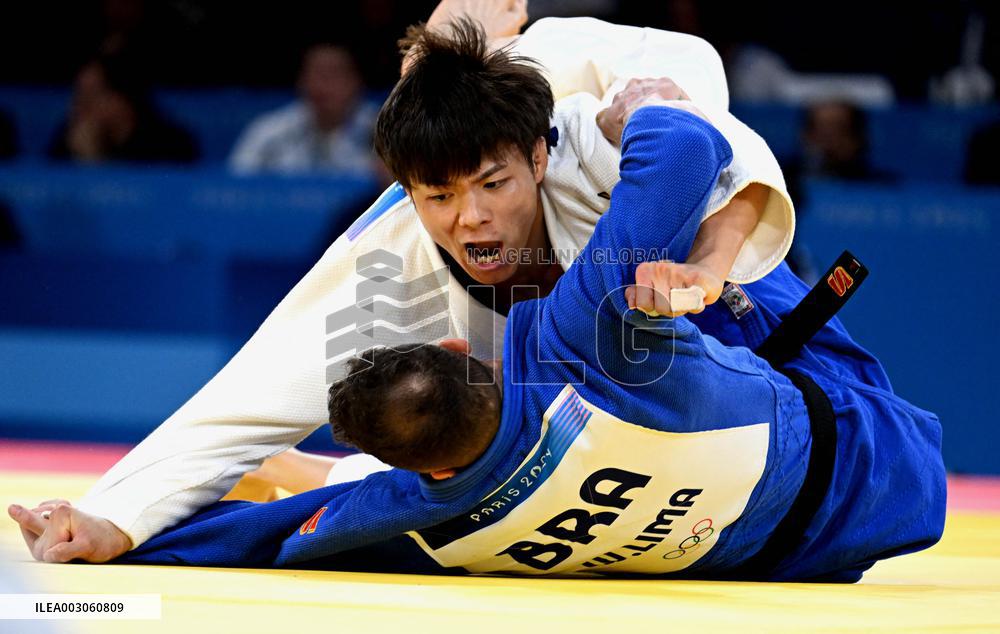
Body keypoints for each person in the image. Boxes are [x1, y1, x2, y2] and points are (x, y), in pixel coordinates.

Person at [9, 6, 796, 563]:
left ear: (534, 154)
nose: (473, 220)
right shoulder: (390, 255)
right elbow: (240, 402)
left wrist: (710, 265)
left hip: (713, 330)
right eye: (441, 197)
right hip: (569, 404)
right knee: (459, 455)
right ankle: (302, 473)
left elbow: (713, 136)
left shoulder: (577, 112)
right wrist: (110, 519)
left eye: (492, 185)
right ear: (405, 189)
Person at [107, 102, 945, 582]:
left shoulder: (413, 514)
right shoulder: (585, 330)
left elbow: (262, 538)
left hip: (798, 561)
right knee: (697, 275)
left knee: (314, 491)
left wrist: (111, 545)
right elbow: (688, 142)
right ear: (459, 346)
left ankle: (299, 461)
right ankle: (717, 277)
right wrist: (617, 116)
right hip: (876, 453)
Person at [228, 43, 382, 176]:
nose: (324, 85)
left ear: (357, 82)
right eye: (316, 73)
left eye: (335, 74)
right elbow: (236, 188)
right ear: (301, 81)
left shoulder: (382, 132)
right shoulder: (269, 132)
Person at [47, 53, 198, 164]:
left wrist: (96, 163)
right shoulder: (67, 140)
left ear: (122, 100)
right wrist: (84, 160)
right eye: (78, 96)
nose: (80, 107)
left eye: (91, 97)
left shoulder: (170, 145)